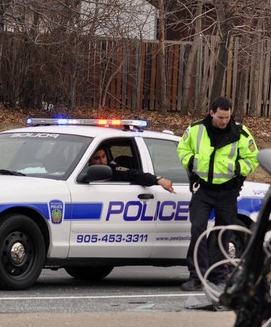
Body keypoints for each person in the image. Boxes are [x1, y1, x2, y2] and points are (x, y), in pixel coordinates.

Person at [176, 96, 259, 291]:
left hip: (228, 190)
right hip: (203, 189)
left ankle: (219, 276)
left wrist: (237, 168)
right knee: (198, 229)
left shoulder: (240, 133)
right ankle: (196, 276)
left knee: (224, 233)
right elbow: (182, 149)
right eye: (221, 117)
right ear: (212, 113)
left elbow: (253, 159)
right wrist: (191, 162)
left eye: (227, 117)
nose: (224, 121)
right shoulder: (196, 130)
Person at [89, 148, 175, 193]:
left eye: (104, 156)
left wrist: (158, 180)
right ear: (89, 161)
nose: (102, 161)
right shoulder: (85, 171)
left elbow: (133, 174)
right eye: (97, 158)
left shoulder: (114, 169)